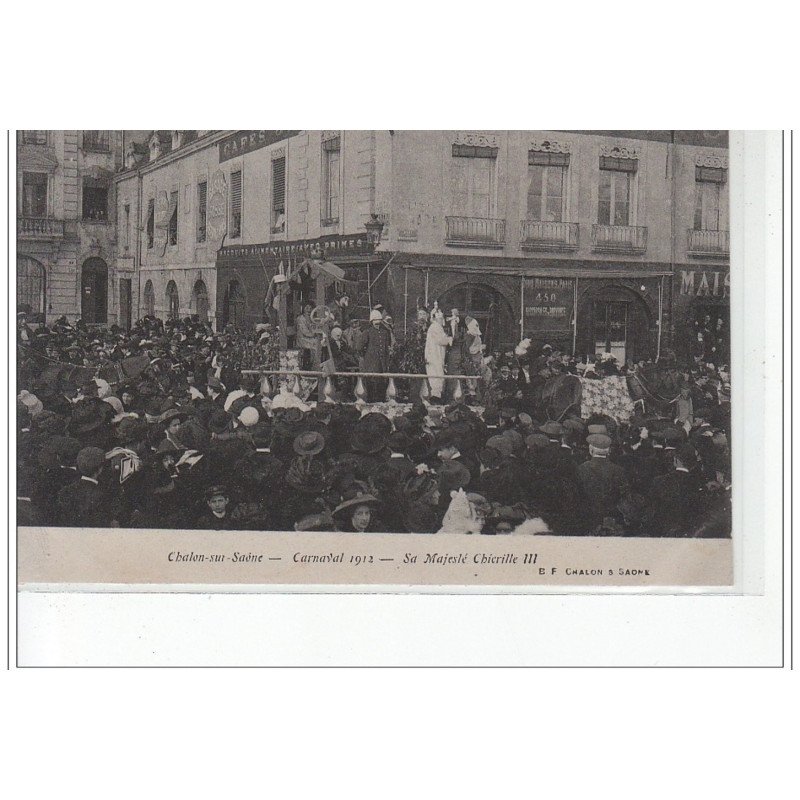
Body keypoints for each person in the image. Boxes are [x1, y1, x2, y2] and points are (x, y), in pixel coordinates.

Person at [360, 309, 392, 402]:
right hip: (371, 364)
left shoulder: (385, 333)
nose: (377, 325)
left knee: (382, 385)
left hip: (383, 364)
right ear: (371, 322)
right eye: (375, 322)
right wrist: (367, 356)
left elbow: (387, 347)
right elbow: (359, 347)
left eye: (379, 322)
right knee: (371, 386)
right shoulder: (367, 332)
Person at [424, 308, 452, 405]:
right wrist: (449, 339)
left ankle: (436, 396)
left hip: (436, 355)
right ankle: (435, 398)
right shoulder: (435, 327)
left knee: (437, 375)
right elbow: (441, 340)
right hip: (435, 356)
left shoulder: (436, 327)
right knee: (436, 376)